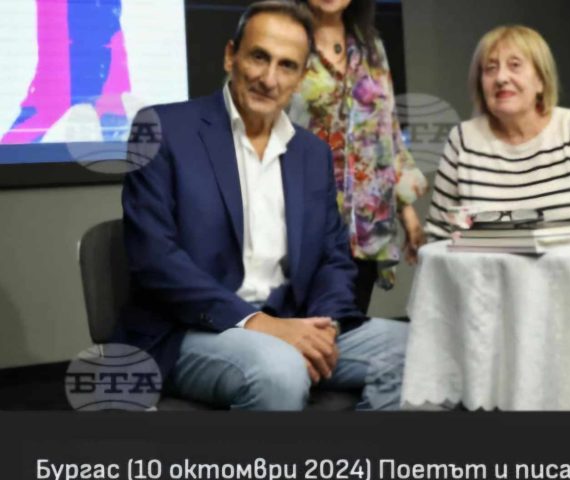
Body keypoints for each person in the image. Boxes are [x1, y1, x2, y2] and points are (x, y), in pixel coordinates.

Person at [116, 0, 407, 411]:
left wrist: (325, 327)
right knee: (280, 369)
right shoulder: (162, 129)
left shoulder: (312, 154)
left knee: (418, 350)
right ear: (230, 56)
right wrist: (257, 323)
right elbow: (154, 260)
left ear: (301, 77)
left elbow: (333, 258)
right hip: (190, 330)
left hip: (292, 321)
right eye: (258, 57)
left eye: (287, 66)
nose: (269, 79)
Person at [425, 25, 570, 238]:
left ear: (541, 79)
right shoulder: (463, 140)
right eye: (490, 68)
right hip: (486, 275)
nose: (501, 78)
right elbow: (439, 234)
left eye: (515, 65)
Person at [290, 0, 427, 314]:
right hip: (303, 219)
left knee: (349, 328)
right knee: (307, 332)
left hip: (365, 224)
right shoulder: (285, 38)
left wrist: (406, 211)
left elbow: (387, 132)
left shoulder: (370, 46)